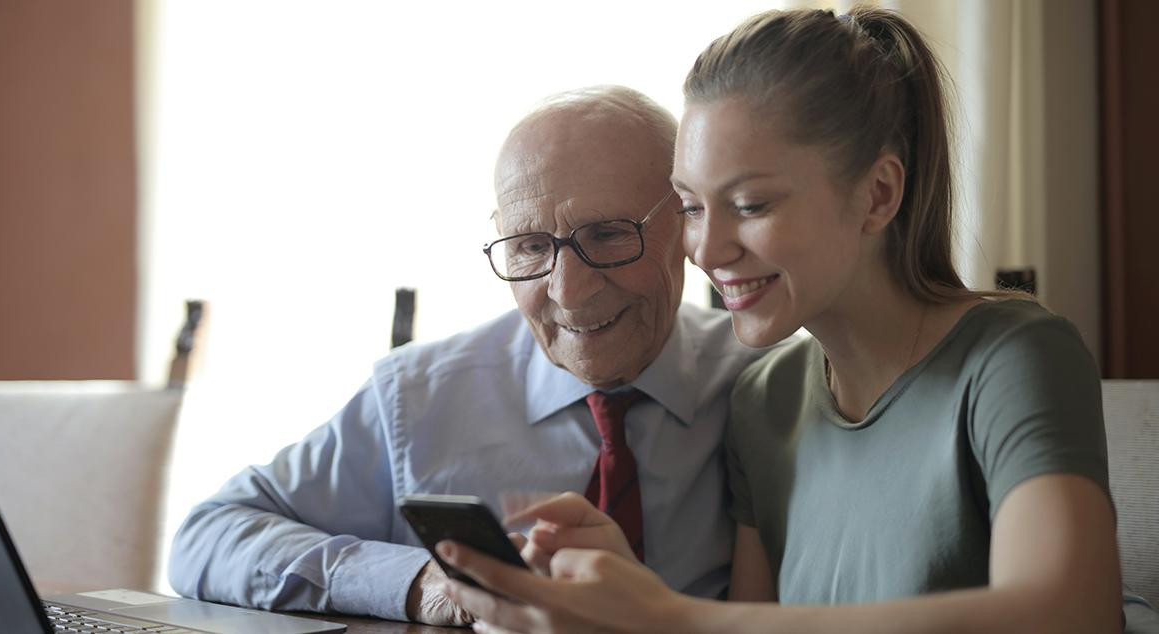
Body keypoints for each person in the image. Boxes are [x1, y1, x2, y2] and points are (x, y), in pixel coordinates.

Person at [438, 8, 1130, 633]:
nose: (706, 251)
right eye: (693, 207)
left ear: (878, 194)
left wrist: (668, 615)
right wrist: (623, 597)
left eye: (751, 204)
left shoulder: (1013, 355)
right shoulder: (765, 399)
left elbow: (1069, 613)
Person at [167, 85, 767, 626]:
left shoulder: (770, 390)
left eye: (608, 235)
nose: (567, 291)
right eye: (531, 246)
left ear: (688, 222)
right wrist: (422, 583)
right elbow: (207, 536)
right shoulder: (419, 398)